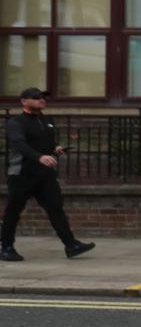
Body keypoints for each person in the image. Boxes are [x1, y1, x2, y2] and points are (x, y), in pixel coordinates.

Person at [1, 87, 94, 262]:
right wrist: (39, 157)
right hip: (22, 173)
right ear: (24, 101)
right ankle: (6, 247)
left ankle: (71, 245)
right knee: (13, 210)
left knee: (55, 208)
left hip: (45, 174)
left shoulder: (47, 120)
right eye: (36, 97)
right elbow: (19, 144)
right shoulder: (16, 122)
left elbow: (45, 145)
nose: (41, 100)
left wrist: (55, 150)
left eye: (43, 97)